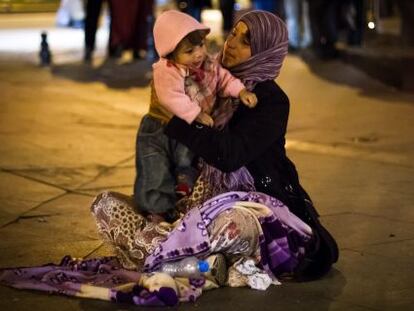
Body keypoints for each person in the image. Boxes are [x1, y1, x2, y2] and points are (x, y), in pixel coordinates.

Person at [91, 10, 338, 285]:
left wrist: (179, 119)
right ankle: (193, 260)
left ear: (266, 51)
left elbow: (229, 156)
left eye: (246, 41)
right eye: (234, 33)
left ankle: (169, 256)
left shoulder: (270, 101)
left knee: (232, 227)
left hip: (243, 201)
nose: (231, 43)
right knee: (105, 205)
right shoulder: (200, 76)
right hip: (190, 199)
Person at [134, 10, 257, 223]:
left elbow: (224, 79)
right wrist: (197, 113)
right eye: (189, 51)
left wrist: (240, 91)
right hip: (159, 129)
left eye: (201, 45)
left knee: (186, 161)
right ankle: (156, 211)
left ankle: (182, 193)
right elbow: (169, 97)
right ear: (171, 53)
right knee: (155, 168)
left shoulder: (208, 64)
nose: (199, 54)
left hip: (186, 128)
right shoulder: (167, 70)